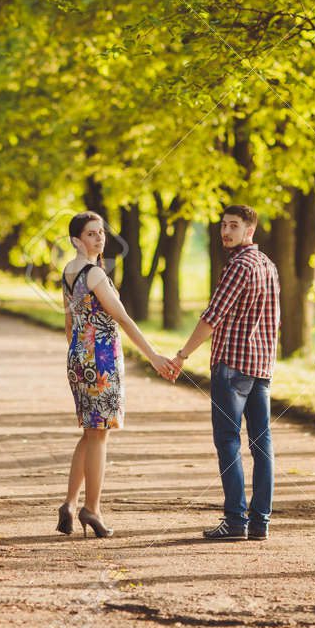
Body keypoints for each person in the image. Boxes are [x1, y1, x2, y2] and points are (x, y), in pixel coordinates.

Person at [57, 210, 177, 539]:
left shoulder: (69, 272)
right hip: (101, 361)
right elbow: (123, 318)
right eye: (91, 234)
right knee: (99, 434)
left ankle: (69, 504)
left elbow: (69, 325)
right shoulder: (94, 275)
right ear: (76, 240)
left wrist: (79, 353)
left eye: (101, 232)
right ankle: (91, 509)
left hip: (79, 357)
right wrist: (153, 356)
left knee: (89, 432)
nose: (99, 238)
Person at [172, 204, 280, 541]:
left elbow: (211, 316)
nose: (226, 232)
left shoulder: (239, 265)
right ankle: (259, 523)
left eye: (234, 226)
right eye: (223, 226)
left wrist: (182, 355)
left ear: (250, 231)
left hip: (232, 368)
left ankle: (236, 520)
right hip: (260, 367)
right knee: (262, 445)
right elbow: (274, 322)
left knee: (229, 442)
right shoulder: (269, 265)